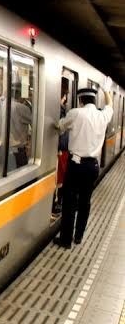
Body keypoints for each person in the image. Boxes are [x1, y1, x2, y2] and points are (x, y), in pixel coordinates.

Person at [53, 79, 114, 249]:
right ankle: (78, 236)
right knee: (85, 202)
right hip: (92, 166)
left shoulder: (75, 113)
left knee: (69, 202)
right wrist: (106, 91)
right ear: (94, 100)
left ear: (80, 100)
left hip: (76, 165)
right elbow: (110, 106)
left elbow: (59, 127)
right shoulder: (102, 116)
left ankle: (66, 240)